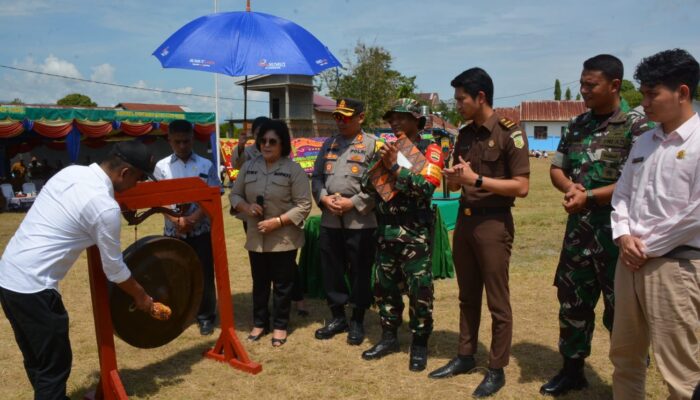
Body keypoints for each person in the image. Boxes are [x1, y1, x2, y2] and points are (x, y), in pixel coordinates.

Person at [0, 140, 157, 399]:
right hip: (34, 289)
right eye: (139, 179)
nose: (137, 186)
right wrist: (141, 295)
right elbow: (115, 270)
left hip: (8, 279)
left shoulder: (71, 172)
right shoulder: (104, 206)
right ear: (125, 173)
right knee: (54, 367)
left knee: (38, 361)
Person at [542, 54, 653, 397]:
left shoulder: (638, 127)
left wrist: (589, 196)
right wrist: (569, 187)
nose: (584, 90)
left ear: (615, 85)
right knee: (572, 302)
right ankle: (572, 370)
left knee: (622, 311)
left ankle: (628, 380)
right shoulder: (577, 124)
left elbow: (636, 182)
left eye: (591, 84)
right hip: (579, 235)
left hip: (619, 237)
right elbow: (557, 168)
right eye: (582, 83)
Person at [432, 67, 530, 398]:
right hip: (465, 220)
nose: (457, 104)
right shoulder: (464, 134)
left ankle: (496, 368)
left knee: (497, 301)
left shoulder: (509, 132)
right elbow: (465, 175)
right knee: (467, 295)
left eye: (461, 99)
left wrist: (477, 180)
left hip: (493, 223)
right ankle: (464, 355)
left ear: (480, 97)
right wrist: (456, 175)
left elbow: (522, 186)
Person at [609, 48, 700, 400]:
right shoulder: (644, 141)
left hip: (674, 265)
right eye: (642, 93)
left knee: (679, 368)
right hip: (630, 260)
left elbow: (694, 213)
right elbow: (622, 196)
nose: (644, 102)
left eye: (652, 94)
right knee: (625, 357)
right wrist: (623, 235)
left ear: (682, 92)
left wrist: (646, 246)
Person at [359, 98, 437, 372]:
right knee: (385, 290)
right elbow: (366, 186)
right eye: (392, 117)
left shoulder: (430, 149)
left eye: (401, 117)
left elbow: (426, 188)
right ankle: (388, 337)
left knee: (420, 292)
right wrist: (379, 167)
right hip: (385, 229)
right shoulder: (386, 148)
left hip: (414, 233)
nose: (394, 122)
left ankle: (419, 344)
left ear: (417, 119)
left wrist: (395, 168)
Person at [229, 120, 311, 347]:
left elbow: (304, 205)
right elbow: (234, 195)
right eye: (263, 141)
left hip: (283, 237)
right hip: (256, 237)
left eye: (272, 141)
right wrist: (246, 207)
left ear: (282, 144)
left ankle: (280, 326)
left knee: (283, 284)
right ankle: (259, 323)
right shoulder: (249, 166)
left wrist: (278, 221)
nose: (266, 145)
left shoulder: (294, 170)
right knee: (260, 282)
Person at [311, 98, 378, 346]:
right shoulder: (328, 144)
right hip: (330, 219)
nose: (340, 121)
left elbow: (381, 185)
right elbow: (317, 177)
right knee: (332, 270)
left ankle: (358, 319)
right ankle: (337, 316)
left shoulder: (373, 146)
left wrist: (355, 203)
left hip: (360, 221)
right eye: (337, 116)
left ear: (361, 117)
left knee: (360, 272)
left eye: (346, 116)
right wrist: (322, 197)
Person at [153, 119, 221, 336]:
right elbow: (158, 199)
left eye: (187, 141)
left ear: (193, 139)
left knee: (204, 274)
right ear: (169, 140)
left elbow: (213, 196)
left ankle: (205, 317)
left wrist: (192, 219)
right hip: (174, 232)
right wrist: (176, 221)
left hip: (200, 231)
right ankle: (181, 313)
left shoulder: (206, 165)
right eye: (178, 142)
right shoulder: (161, 167)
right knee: (176, 274)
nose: (183, 146)